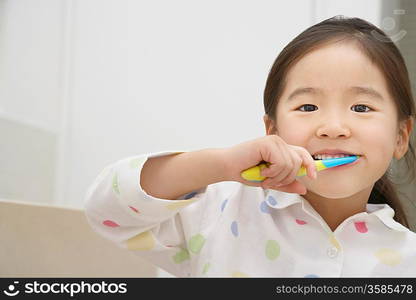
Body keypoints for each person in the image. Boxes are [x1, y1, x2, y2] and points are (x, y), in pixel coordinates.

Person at [84, 16, 416, 277]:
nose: (332, 128)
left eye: (361, 108)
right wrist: (221, 165)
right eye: (307, 107)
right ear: (272, 130)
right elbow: (107, 210)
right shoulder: (217, 215)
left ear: (401, 137)